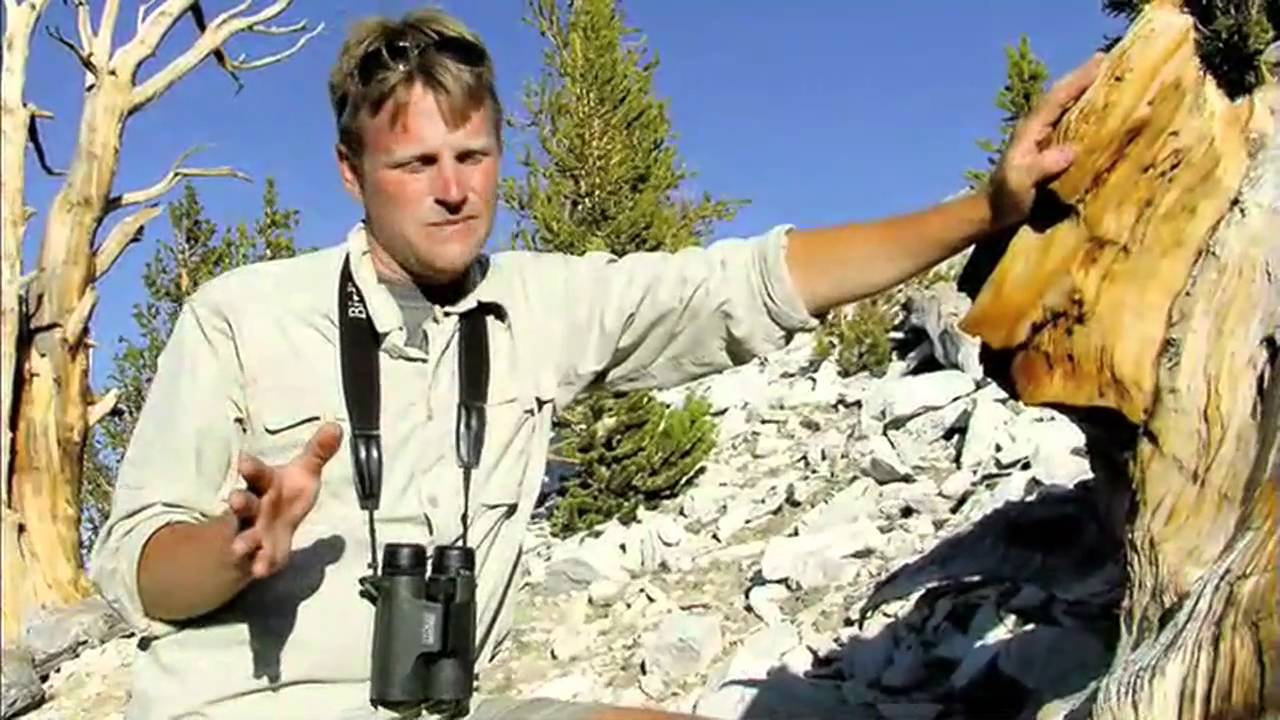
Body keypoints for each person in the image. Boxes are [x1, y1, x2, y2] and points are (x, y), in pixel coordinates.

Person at [88, 6, 1102, 720]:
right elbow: (139, 571)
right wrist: (231, 550)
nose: (451, 190)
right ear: (352, 174)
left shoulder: (539, 305)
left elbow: (748, 283)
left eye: (472, 155)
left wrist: (985, 208)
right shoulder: (240, 316)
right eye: (413, 164)